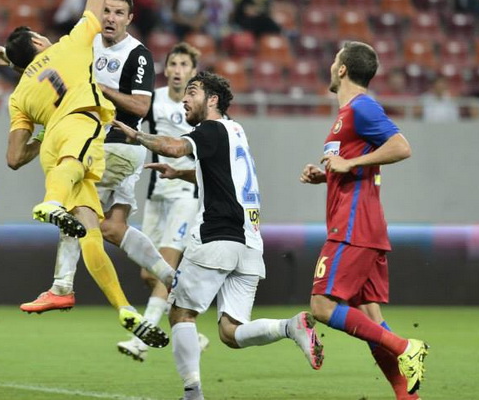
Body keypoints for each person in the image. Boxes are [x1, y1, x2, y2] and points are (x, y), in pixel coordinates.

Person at [0, 0, 169, 347]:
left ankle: (118, 305)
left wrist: (17, 67)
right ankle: (54, 214)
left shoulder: (18, 95)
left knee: (89, 228)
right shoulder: (73, 43)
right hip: (87, 134)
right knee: (74, 206)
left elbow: (13, 158)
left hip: (53, 146)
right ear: (37, 42)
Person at [114, 71, 323, 400]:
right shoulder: (236, 131)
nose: (185, 98)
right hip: (250, 244)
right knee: (230, 332)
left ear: (212, 100)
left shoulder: (209, 130)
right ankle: (290, 327)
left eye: (193, 92)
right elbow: (224, 181)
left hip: (217, 237)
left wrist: (136, 135)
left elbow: (173, 145)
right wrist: (183, 173)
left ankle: (192, 393)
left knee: (181, 313)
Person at [17, 0, 175, 317]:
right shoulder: (87, 44)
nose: (111, 18)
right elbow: (51, 66)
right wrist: (12, 54)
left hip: (118, 146)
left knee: (75, 208)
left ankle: (61, 287)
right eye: (106, 11)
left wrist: (98, 87)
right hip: (99, 145)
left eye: (119, 13)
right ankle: (174, 278)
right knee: (113, 229)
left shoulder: (137, 54)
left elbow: (142, 105)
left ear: (129, 19)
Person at [299, 41, 428, 399]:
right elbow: (356, 162)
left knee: (322, 307)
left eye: (333, 61)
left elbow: (402, 146)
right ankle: (408, 397)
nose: (330, 67)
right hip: (365, 226)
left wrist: (350, 164)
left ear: (342, 69)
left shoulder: (362, 108)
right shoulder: (348, 116)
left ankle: (404, 347)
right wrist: (326, 175)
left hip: (353, 226)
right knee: (370, 317)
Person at [116, 42, 209, 362]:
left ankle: (141, 337)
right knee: (149, 273)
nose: (179, 70)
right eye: (174, 64)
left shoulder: (200, 106)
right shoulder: (151, 100)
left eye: (185, 64)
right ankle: (192, 331)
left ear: (193, 72)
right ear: (166, 69)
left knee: (166, 266)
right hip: (156, 193)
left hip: (186, 194)